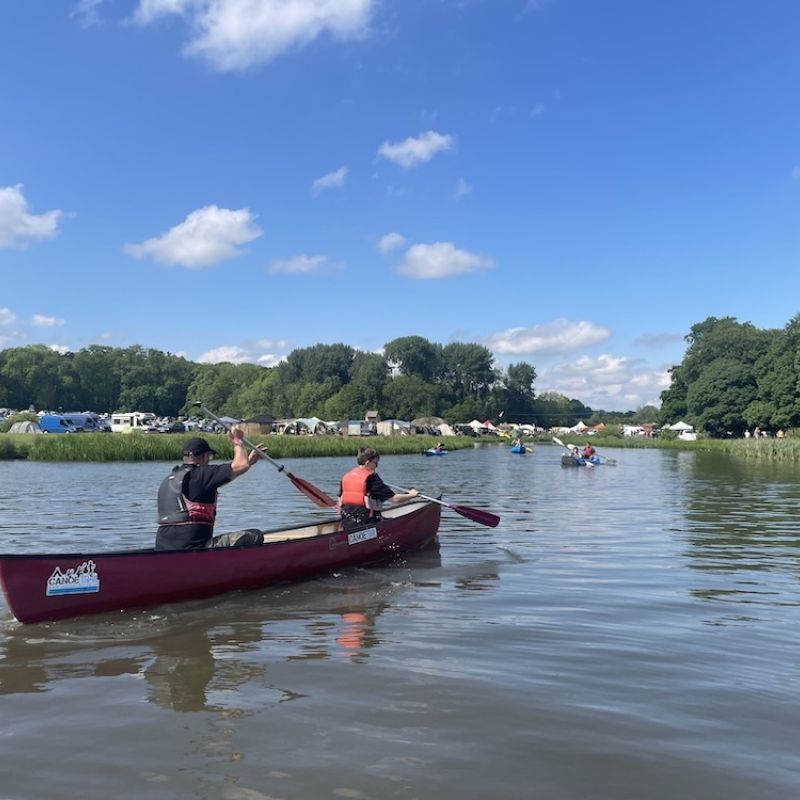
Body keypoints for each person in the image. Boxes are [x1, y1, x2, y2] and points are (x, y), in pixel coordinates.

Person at [155, 430, 264, 550]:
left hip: (162, 549)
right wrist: (237, 441)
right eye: (210, 456)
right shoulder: (200, 475)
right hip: (195, 548)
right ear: (205, 456)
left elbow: (228, 475)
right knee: (255, 535)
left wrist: (249, 462)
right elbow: (241, 465)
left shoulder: (170, 479)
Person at [338, 447, 419, 530]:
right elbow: (394, 499)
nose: (376, 466)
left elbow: (340, 500)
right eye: (375, 463)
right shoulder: (372, 478)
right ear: (367, 463)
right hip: (367, 524)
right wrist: (412, 495)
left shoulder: (346, 476)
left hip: (347, 523)